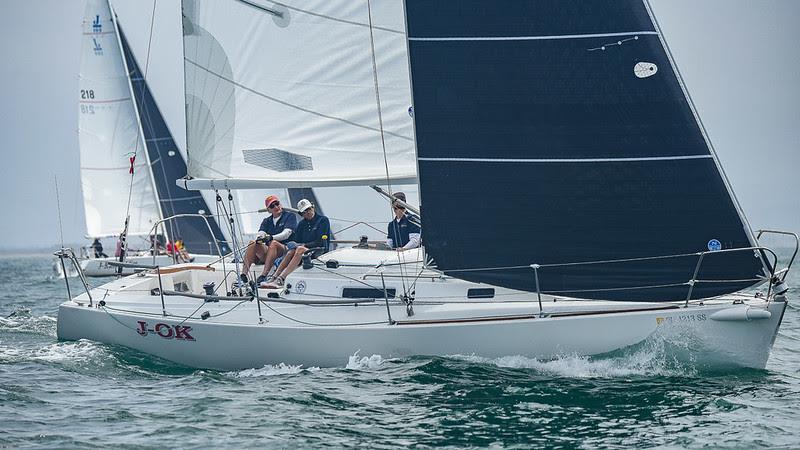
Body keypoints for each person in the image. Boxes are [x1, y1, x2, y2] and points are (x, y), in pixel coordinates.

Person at [263, 198, 330, 288]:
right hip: (305, 251)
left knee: (299, 249)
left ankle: (281, 279)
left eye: (309, 209)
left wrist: (304, 245)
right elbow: (296, 239)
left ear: (313, 207)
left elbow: (320, 242)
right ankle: (274, 277)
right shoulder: (302, 224)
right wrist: (293, 244)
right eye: (304, 212)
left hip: (320, 251)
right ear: (301, 214)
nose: (308, 212)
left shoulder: (323, 220)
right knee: (292, 250)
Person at [241, 194, 298, 286]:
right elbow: (261, 233)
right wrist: (260, 238)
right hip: (270, 252)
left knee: (273, 243)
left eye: (277, 203)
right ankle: (243, 275)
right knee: (252, 243)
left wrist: (271, 237)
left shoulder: (290, 216)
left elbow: (286, 234)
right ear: (268, 210)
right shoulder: (266, 221)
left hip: (284, 250)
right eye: (272, 206)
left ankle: (264, 275)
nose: (276, 207)